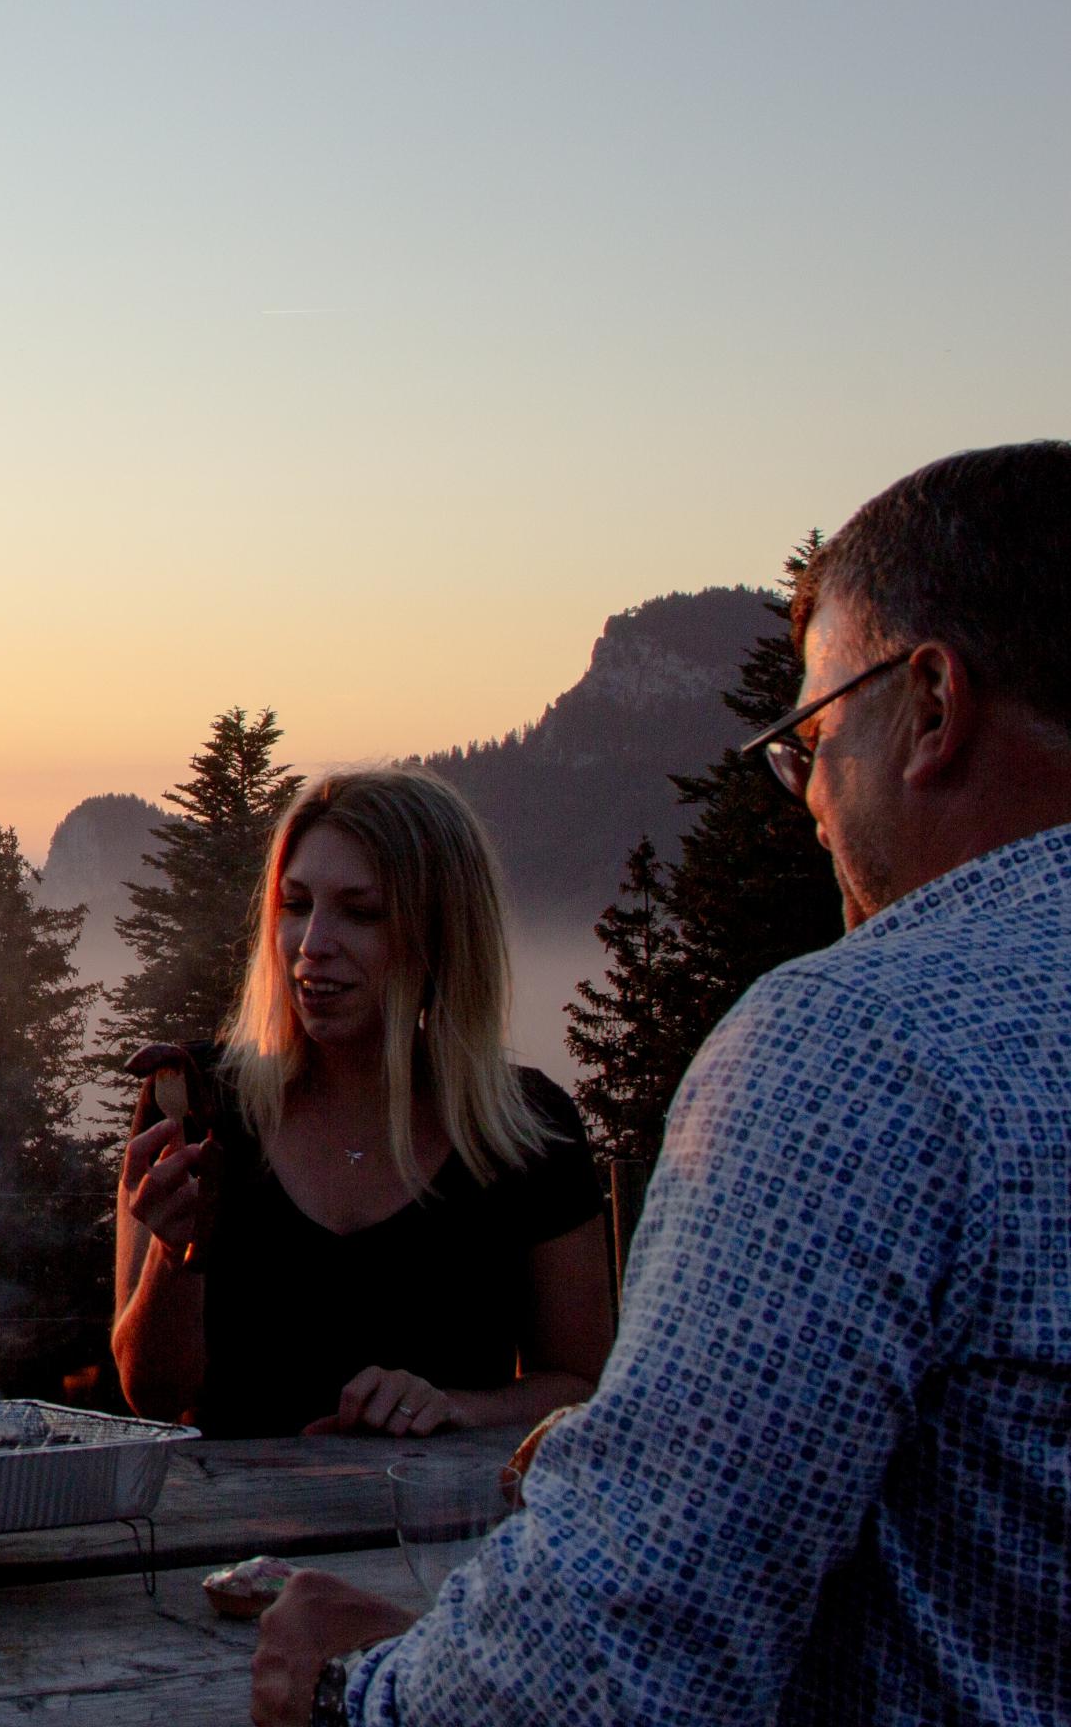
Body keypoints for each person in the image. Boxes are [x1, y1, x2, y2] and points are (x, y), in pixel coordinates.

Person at [254, 441, 1071, 1726]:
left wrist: (360, 1688)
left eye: (813, 733)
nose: (804, 797)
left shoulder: (862, 1049)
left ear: (931, 705)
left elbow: (618, 1658)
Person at [111, 767, 612, 1439]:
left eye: (362, 912)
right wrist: (177, 1256)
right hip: (229, 1534)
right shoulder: (197, 1104)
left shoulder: (528, 1132)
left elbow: (583, 1388)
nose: (312, 945)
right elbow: (152, 1395)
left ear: (442, 933)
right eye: (295, 906)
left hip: (431, 1536)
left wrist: (457, 1408)